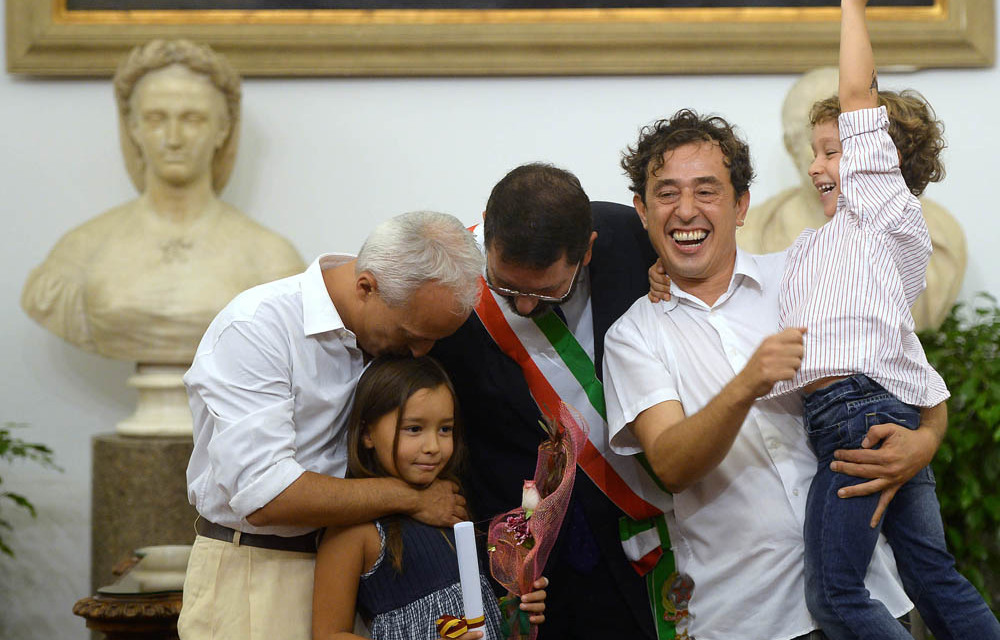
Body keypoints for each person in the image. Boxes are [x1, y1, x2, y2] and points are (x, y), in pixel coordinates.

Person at [604, 102, 950, 637]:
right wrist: (747, 384)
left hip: (873, 596)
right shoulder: (632, 335)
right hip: (749, 619)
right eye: (667, 193)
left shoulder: (805, 271)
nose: (686, 209)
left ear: (741, 205)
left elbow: (905, 367)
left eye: (707, 190)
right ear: (643, 212)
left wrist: (926, 441)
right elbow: (670, 462)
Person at [766, 2, 1000, 638]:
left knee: (836, 594)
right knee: (932, 576)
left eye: (831, 151)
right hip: (877, 411)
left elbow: (856, 90)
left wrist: (850, 8)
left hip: (856, 414)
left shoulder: (881, 208)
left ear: (876, 160)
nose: (815, 166)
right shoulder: (824, 243)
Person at [179, 211, 483, 640]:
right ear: (366, 287)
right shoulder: (257, 327)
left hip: (363, 578)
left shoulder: (384, 327)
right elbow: (266, 494)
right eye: (412, 334)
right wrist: (408, 497)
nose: (420, 353)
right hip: (260, 574)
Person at [431, 163, 666, 640]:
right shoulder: (446, 281)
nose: (522, 306)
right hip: (519, 564)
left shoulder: (630, 238)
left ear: (587, 250)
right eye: (507, 286)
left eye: (544, 291)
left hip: (640, 541)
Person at [21, 39, 304, 365]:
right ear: (133, 127)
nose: (173, 138)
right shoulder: (80, 252)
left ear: (223, 129)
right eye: (156, 118)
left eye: (192, 119)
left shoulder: (272, 258)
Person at [312, 355, 549, 640]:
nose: (433, 446)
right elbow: (328, 633)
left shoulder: (451, 506)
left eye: (445, 429)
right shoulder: (354, 528)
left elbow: (477, 607)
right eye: (414, 429)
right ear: (367, 433)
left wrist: (515, 609)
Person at [738, 65, 966, 332]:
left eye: (833, 150)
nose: (814, 165)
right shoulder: (750, 233)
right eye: (811, 145)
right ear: (790, 146)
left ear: (880, 152)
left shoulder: (934, 233)